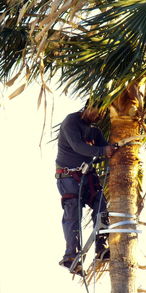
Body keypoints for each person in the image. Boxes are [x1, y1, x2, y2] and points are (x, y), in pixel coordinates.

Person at [55, 105, 116, 275]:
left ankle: (101, 247)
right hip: (68, 177)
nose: (100, 117)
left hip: (87, 177)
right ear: (89, 106)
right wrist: (103, 150)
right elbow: (78, 147)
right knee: (73, 211)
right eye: (99, 112)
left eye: (103, 114)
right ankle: (70, 256)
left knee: (101, 206)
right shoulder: (71, 122)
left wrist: (115, 151)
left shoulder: (95, 132)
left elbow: (105, 149)